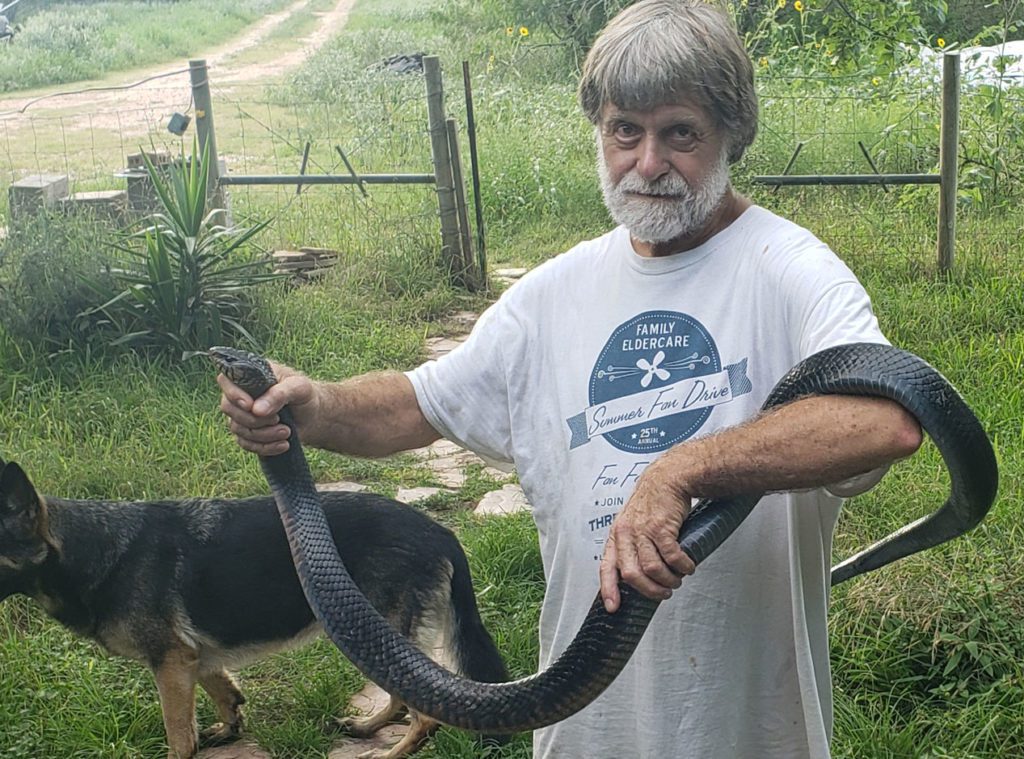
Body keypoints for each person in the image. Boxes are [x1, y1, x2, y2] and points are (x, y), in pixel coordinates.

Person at [217, 1, 922, 756]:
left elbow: (884, 419)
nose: (647, 162)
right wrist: (313, 403)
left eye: (679, 132)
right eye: (626, 130)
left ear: (731, 133)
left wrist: (680, 470)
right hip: (584, 724)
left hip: (747, 725)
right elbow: (418, 405)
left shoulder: (790, 271)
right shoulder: (554, 294)